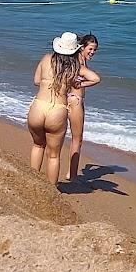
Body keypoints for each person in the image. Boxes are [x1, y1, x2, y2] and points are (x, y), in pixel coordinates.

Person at [28, 32, 83, 184]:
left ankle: (32, 183)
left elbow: (36, 80)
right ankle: (51, 191)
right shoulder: (74, 67)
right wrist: (77, 84)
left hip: (39, 106)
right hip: (57, 110)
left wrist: (48, 84)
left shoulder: (46, 58)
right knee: (53, 155)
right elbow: (95, 78)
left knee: (38, 146)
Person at [65, 33, 102, 182]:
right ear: (82, 48)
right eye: (90, 49)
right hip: (75, 100)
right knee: (77, 139)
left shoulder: (75, 61)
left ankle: (71, 172)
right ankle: (72, 175)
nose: (92, 52)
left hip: (70, 98)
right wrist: (81, 84)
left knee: (72, 137)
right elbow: (96, 79)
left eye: (95, 50)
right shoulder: (79, 63)